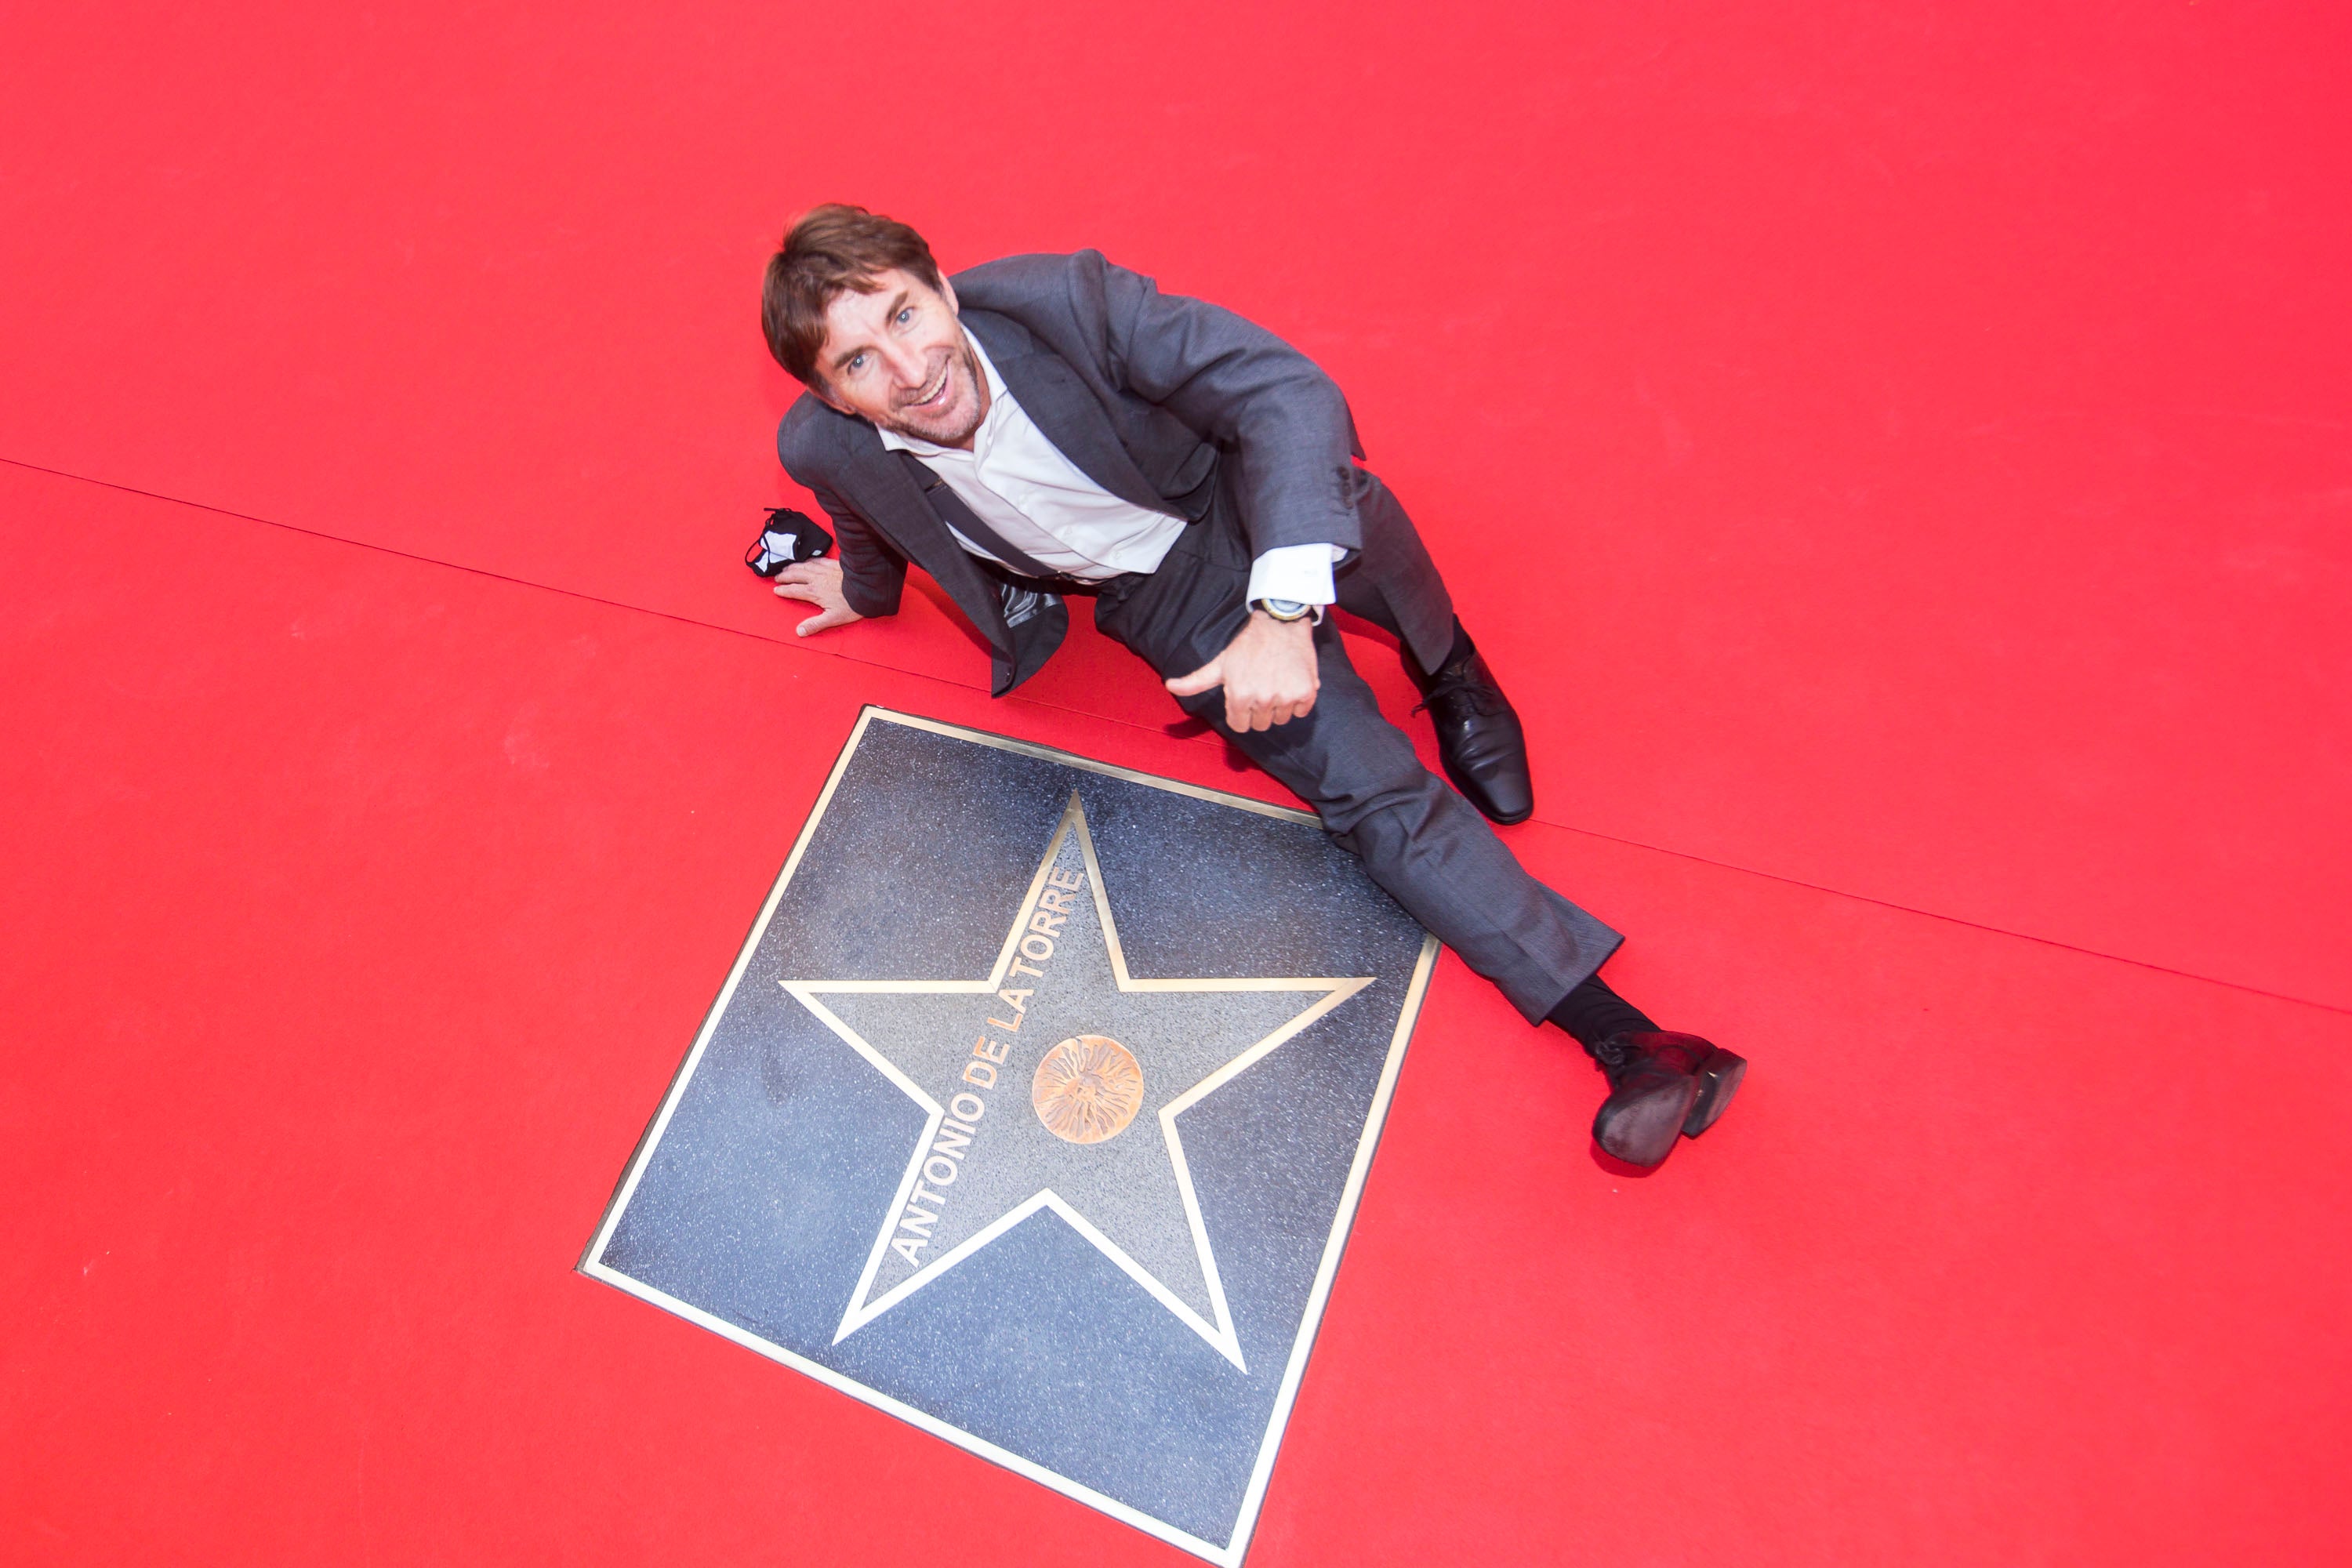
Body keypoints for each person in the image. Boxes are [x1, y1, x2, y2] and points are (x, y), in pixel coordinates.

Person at [758, 204, 1744, 1170]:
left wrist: (1280, 616)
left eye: (902, 316)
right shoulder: (824, 444)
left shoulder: (1066, 302)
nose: (908, 368)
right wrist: (862, 588)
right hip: (1161, 596)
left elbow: (1283, 390)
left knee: (1336, 501)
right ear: (834, 397)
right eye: (857, 364)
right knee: (1365, 794)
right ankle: (1637, 1044)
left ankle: (1450, 669)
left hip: (1226, 490)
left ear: (941, 289)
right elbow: (866, 511)